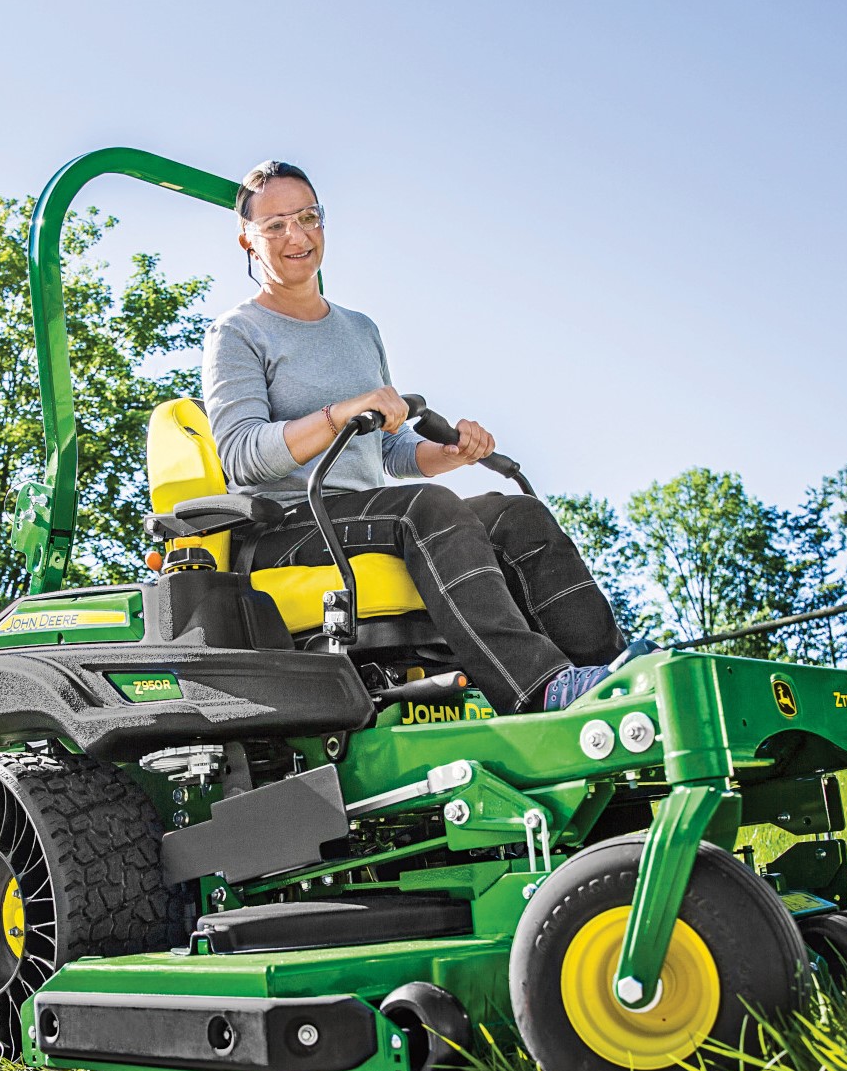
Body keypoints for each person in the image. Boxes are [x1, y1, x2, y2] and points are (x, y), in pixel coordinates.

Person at [201, 160, 627, 712]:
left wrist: (446, 455)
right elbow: (240, 456)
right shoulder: (237, 333)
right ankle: (538, 689)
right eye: (276, 225)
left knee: (513, 514)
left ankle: (606, 677)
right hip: (285, 527)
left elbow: (382, 450)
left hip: (368, 513)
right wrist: (339, 411)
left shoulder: (359, 330)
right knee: (425, 510)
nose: (297, 236)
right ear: (248, 242)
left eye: (308, 217)